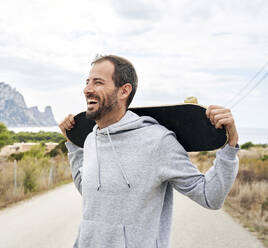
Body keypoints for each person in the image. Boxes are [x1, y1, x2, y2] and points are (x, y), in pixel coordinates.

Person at [58, 55, 239, 248]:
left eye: (98, 82)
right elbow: (88, 191)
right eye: (87, 82)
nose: (87, 89)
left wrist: (231, 146)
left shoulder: (157, 141)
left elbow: (210, 196)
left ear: (124, 91)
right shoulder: (90, 139)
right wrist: (73, 146)